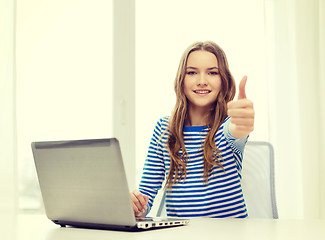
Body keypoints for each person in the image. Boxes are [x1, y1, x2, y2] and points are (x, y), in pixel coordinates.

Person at [130, 41, 255, 218]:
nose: (202, 81)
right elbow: (146, 198)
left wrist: (241, 122)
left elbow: (235, 130)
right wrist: (134, 205)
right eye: (192, 73)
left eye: (212, 73)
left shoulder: (227, 125)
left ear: (223, 80)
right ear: (181, 79)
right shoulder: (164, 129)